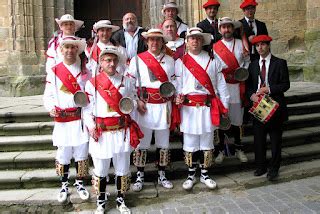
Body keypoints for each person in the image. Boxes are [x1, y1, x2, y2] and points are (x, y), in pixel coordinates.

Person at [83, 46, 143, 214]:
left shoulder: (127, 81)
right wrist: (91, 126)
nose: (111, 63)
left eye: (114, 60)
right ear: (101, 63)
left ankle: (120, 200)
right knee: (101, 169)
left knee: (122, 168)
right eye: (107, 60)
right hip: (101, 133)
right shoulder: (92, 83)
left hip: (121, 131)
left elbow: (132, 103)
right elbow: (87, 110)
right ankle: (101, 201)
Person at [175, 27, 229, 190]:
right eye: (192, 38)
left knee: (206, 141)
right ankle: (191, 175)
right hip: (189, 108)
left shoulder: (213, 60)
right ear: (187, 41)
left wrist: (224, 106)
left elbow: (221, 84)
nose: (195, 41)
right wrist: (178, 95)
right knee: (190, 142)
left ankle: (205, 174)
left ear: (202, 41)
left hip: (207, 107)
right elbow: (178, 84)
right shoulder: (181, 61)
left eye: (198, 38)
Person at [126, 29, 176, 192]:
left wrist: (175, 95)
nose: (154, 43)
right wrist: (136, 101)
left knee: (163, 143)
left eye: (158, 40)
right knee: (142, 143)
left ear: (162, 42)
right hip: (144, 107)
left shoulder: (170, 60)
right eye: (151, 40)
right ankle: (140, 175)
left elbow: (175, 82)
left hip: (163, 106)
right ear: (146, 42)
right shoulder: (137, 60)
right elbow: (129, 84)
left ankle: (162, 174)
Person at [43, 36, 90, 203]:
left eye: (73, 47)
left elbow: (89, 94)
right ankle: (64, 184)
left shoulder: (85, 71)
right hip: (62, 120)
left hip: (79, 119)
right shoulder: (55, 71)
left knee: (81, 153)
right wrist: (50, 107)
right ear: (61, 50)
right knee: (63, 153)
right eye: (66, 47)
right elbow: (48, 94)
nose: (70, 50)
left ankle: (80, 183)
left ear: (77, 50)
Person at [246, 35, 290, 181]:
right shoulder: (252, 65)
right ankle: (261, 167)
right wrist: (252, 96)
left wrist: (269, 89)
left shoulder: (280, 63)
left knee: (276, 139)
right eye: (257, 45)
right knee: (259, 139)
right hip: (259, 106)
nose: (260, 48)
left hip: (275, 106)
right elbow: (249, 87)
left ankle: (274, 168)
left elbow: (285, 85)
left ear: (268, 45)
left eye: (263, 45)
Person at [213, 17, 250, 164]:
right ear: (220, 30)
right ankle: (221, 150)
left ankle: (239, 149)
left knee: (237, 120)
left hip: (237, 87)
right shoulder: (215, 47)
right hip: (223, 88)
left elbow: (247, 62)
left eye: (229, 27)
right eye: (223, 27)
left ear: (233, 29)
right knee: (223, 119)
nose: (226, 30)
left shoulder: (241, 44)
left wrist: (242, 74)